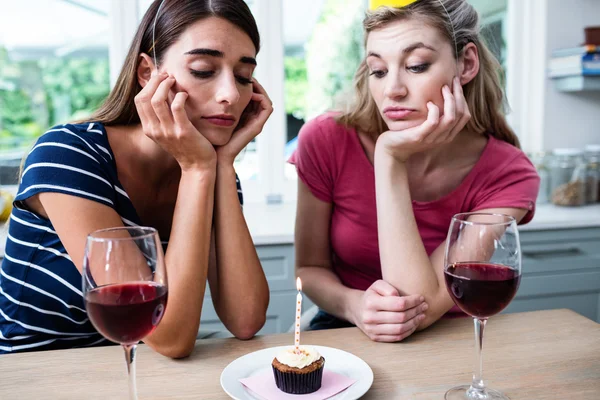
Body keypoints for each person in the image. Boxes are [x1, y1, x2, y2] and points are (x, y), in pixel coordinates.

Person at [0, 0, 271, 357]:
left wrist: (220, 166)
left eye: (243, 76)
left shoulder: (209, 167)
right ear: (147, 73)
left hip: (139, 368)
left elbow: (246, 319)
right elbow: (168, 336)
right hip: (42, 373)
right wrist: (198, 169)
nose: (231, 95)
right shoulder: (67, 155)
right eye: (204, 70)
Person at [289, 0, 540, 342]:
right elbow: (309, 269)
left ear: (466, 64)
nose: (392, 89)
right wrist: (354, 305)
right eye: (378, 70)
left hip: (448, 340)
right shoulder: (326, 139)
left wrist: (390, 157)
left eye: (417, 66)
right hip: (345, 329)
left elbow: (419, 305)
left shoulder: (508, 172)